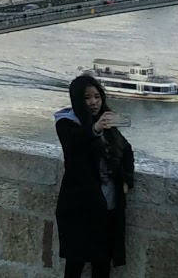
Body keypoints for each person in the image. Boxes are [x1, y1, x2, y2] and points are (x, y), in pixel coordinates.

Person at [54, 73, 135, 277]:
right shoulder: (66, 123)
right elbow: (74, 142)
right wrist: (95, 129)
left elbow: (126, 150)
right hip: (80, 205)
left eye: (97, 97)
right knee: (75, 262)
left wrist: (127, 179)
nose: (93, 103)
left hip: (107, 205)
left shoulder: (107, 120)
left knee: (102, 263)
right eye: (87, 98)